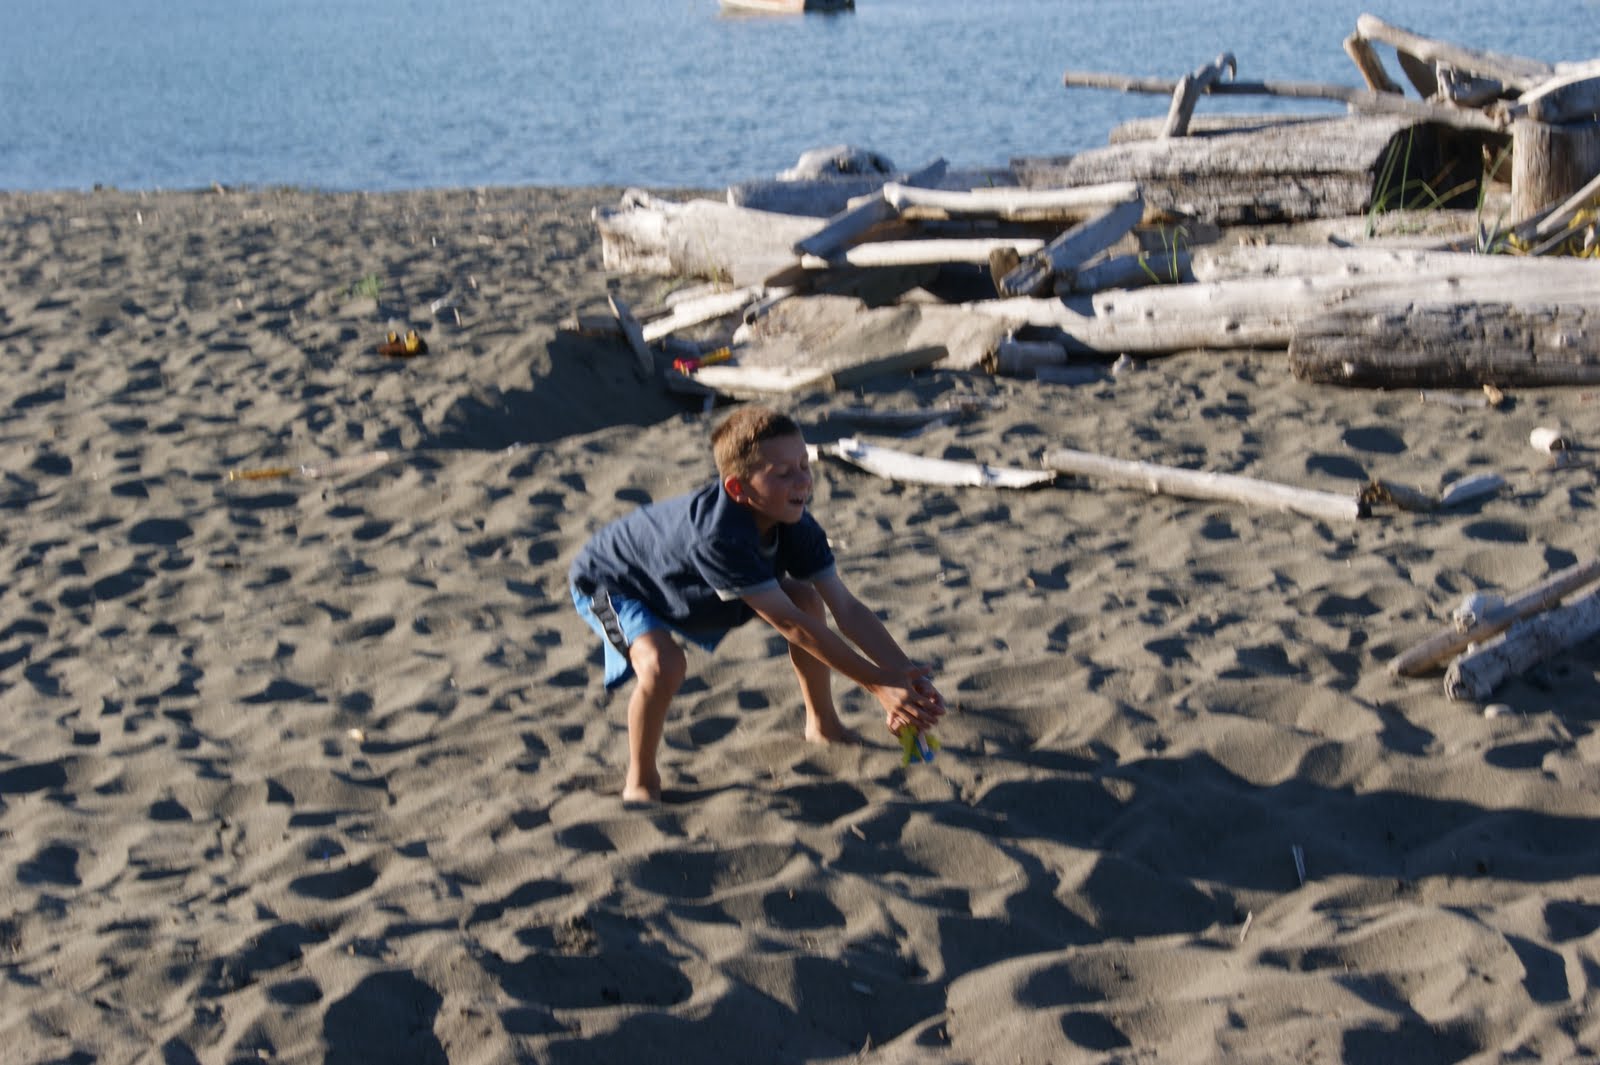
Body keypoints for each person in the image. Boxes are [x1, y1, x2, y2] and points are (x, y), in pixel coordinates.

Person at [569, 405, 946, 802]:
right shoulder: (719, 537)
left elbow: (847, 609)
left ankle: (823, 724)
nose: (803, 480)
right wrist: (877, 685)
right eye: (783, 473)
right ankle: (641, 779)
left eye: (804, 464)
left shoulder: (796, 523)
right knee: (664, 665)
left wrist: (904, 675)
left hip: (695, 584)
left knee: (805, 597)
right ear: (738, 489)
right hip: (613, 581)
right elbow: (793, 627)